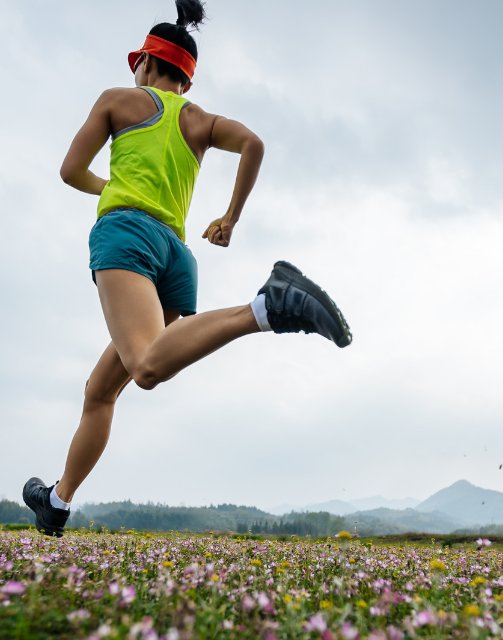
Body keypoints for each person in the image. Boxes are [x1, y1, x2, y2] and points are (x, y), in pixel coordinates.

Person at [24, 0, 351, 537]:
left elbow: (69, 170)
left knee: (147, 367)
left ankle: (267, 306)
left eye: (139, 63)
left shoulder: (119, 100)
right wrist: (229, 218)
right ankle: (56, 502)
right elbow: (253, 144)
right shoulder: (197, 119)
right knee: (101, 390)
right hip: (176, 257)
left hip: (127, 237)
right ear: (187, 80)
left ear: (147, 63)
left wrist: (113, 188)